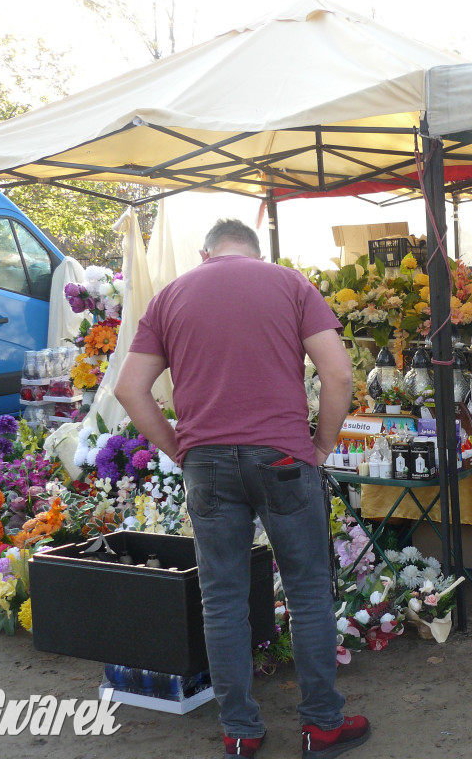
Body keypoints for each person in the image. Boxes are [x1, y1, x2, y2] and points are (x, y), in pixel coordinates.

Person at [115, 219, 369, 759]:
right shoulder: (290, 284)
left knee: (222, 600)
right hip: (282, 457)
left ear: (207, 253)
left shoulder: (169, 298)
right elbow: (339, 374)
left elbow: (130, 388)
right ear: (254, 252)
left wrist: (178, 448)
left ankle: (239, 732)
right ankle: (322, 725)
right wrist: (320, 446)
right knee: (307, 592)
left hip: (206, 462)